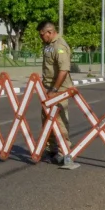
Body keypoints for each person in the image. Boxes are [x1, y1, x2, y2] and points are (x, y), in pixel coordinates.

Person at [37, 21, 72, 165]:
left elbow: (64, 70)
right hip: (49, 88)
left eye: (42, 35)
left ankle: (65, 152)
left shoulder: (60, 46)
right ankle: (51, 149)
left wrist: (55, 90)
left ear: (50, 32)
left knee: (59, 121)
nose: (41, 38)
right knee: (46, 119)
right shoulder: (49, 45)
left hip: (59, 90)